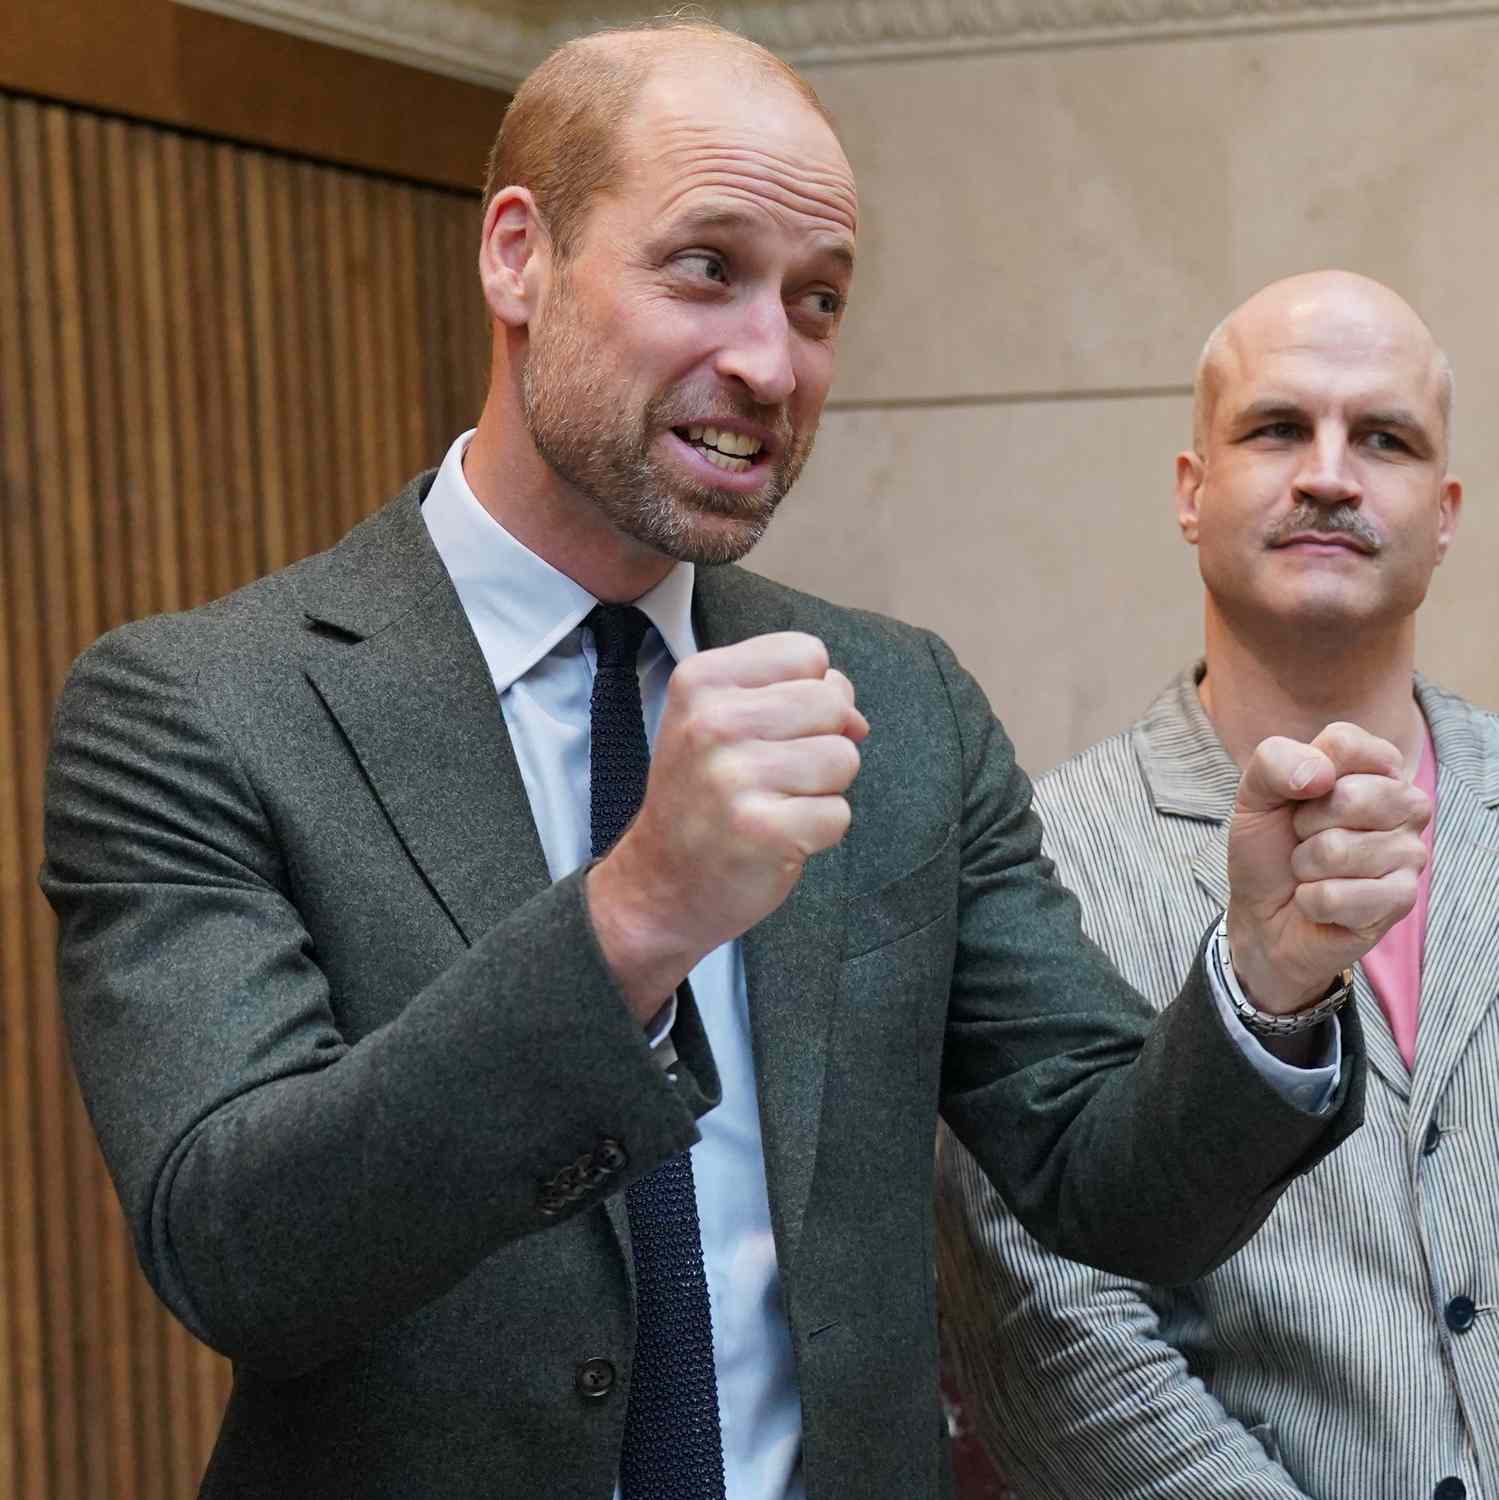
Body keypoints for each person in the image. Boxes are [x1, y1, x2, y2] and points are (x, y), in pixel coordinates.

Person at [42, 24, 1422, 1496]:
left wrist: (1267, 980)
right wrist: (635, 916)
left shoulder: (895, 699)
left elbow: (1103, 1184)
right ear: (520, 256)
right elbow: (240, 1252)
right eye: (705, 267)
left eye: (817, 300)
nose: (770, 361)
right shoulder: (198, 707)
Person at [939, 270, 1494, 1500]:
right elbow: (1059, 1337)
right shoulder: (1037, 859)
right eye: (1277, 428)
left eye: (1383, 440)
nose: (1329, 475)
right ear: (1192, 492)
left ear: (1443, 512)